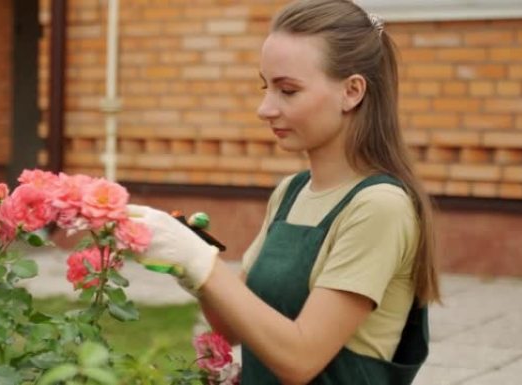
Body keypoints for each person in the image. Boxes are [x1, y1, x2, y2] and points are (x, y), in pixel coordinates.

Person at [129, 0, 441, 383]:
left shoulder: (379, 206)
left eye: (287, 90)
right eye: (266, 87)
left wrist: (203, 264)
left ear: (352, 92)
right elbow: (233, 329)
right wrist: (187, 262)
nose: (265, 108)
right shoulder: (292, 192)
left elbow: (300, 358)